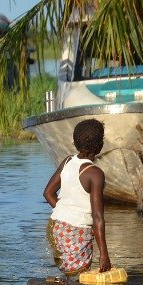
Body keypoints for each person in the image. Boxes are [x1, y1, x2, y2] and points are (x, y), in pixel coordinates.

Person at [43, 118, 111, 275]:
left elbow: (48, 193)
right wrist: (104, 255)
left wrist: (65, 213)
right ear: (98, 145)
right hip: (74, 231)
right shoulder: (95, 174)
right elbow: (97, 217)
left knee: (69, 273)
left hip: (56, 226)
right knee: (78, 275)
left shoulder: (68, 161)